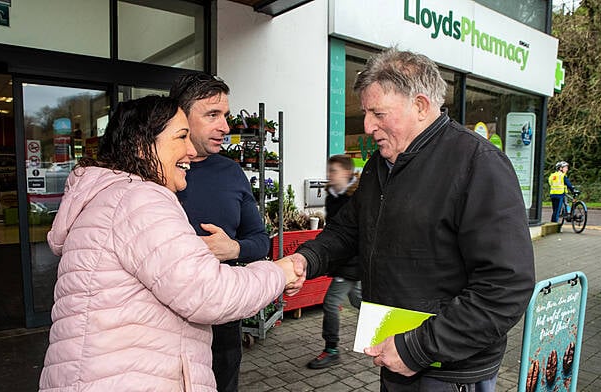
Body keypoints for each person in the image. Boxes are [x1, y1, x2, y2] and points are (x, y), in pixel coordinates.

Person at [283, 48, 536, 391]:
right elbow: (347, 232)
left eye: (377, 113)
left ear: (419, 106)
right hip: (394, 352)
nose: (368, 126)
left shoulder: (479, 164)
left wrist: (417, 347)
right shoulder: (379, 166)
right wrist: (305, 259)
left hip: (447, 371)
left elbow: (505, 287)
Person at [39, 96, 297, 391]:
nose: (190, 151)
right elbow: (209, 293)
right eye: (181, 137)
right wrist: (279, 273)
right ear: (142, 144)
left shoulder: (110, 196)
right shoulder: (138, 199)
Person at [170, 73, 271, 392]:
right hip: (164, 326)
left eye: (225, 115)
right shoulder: (153, 172)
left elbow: (260, 240)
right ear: (182, 116)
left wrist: (233, 249)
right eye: (212, 115)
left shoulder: (231, 172)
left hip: (222, 326)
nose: (225, 127)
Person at [307, 154, 362, 369]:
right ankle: (388, 327)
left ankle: (332, 350)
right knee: (359, 301)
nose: (330, 175)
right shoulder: (333, 196)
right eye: (329, 171)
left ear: (347, 173)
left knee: (331, 303)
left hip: (351, 262)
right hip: (345, 261)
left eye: (335, 171)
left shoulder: (356, 198)